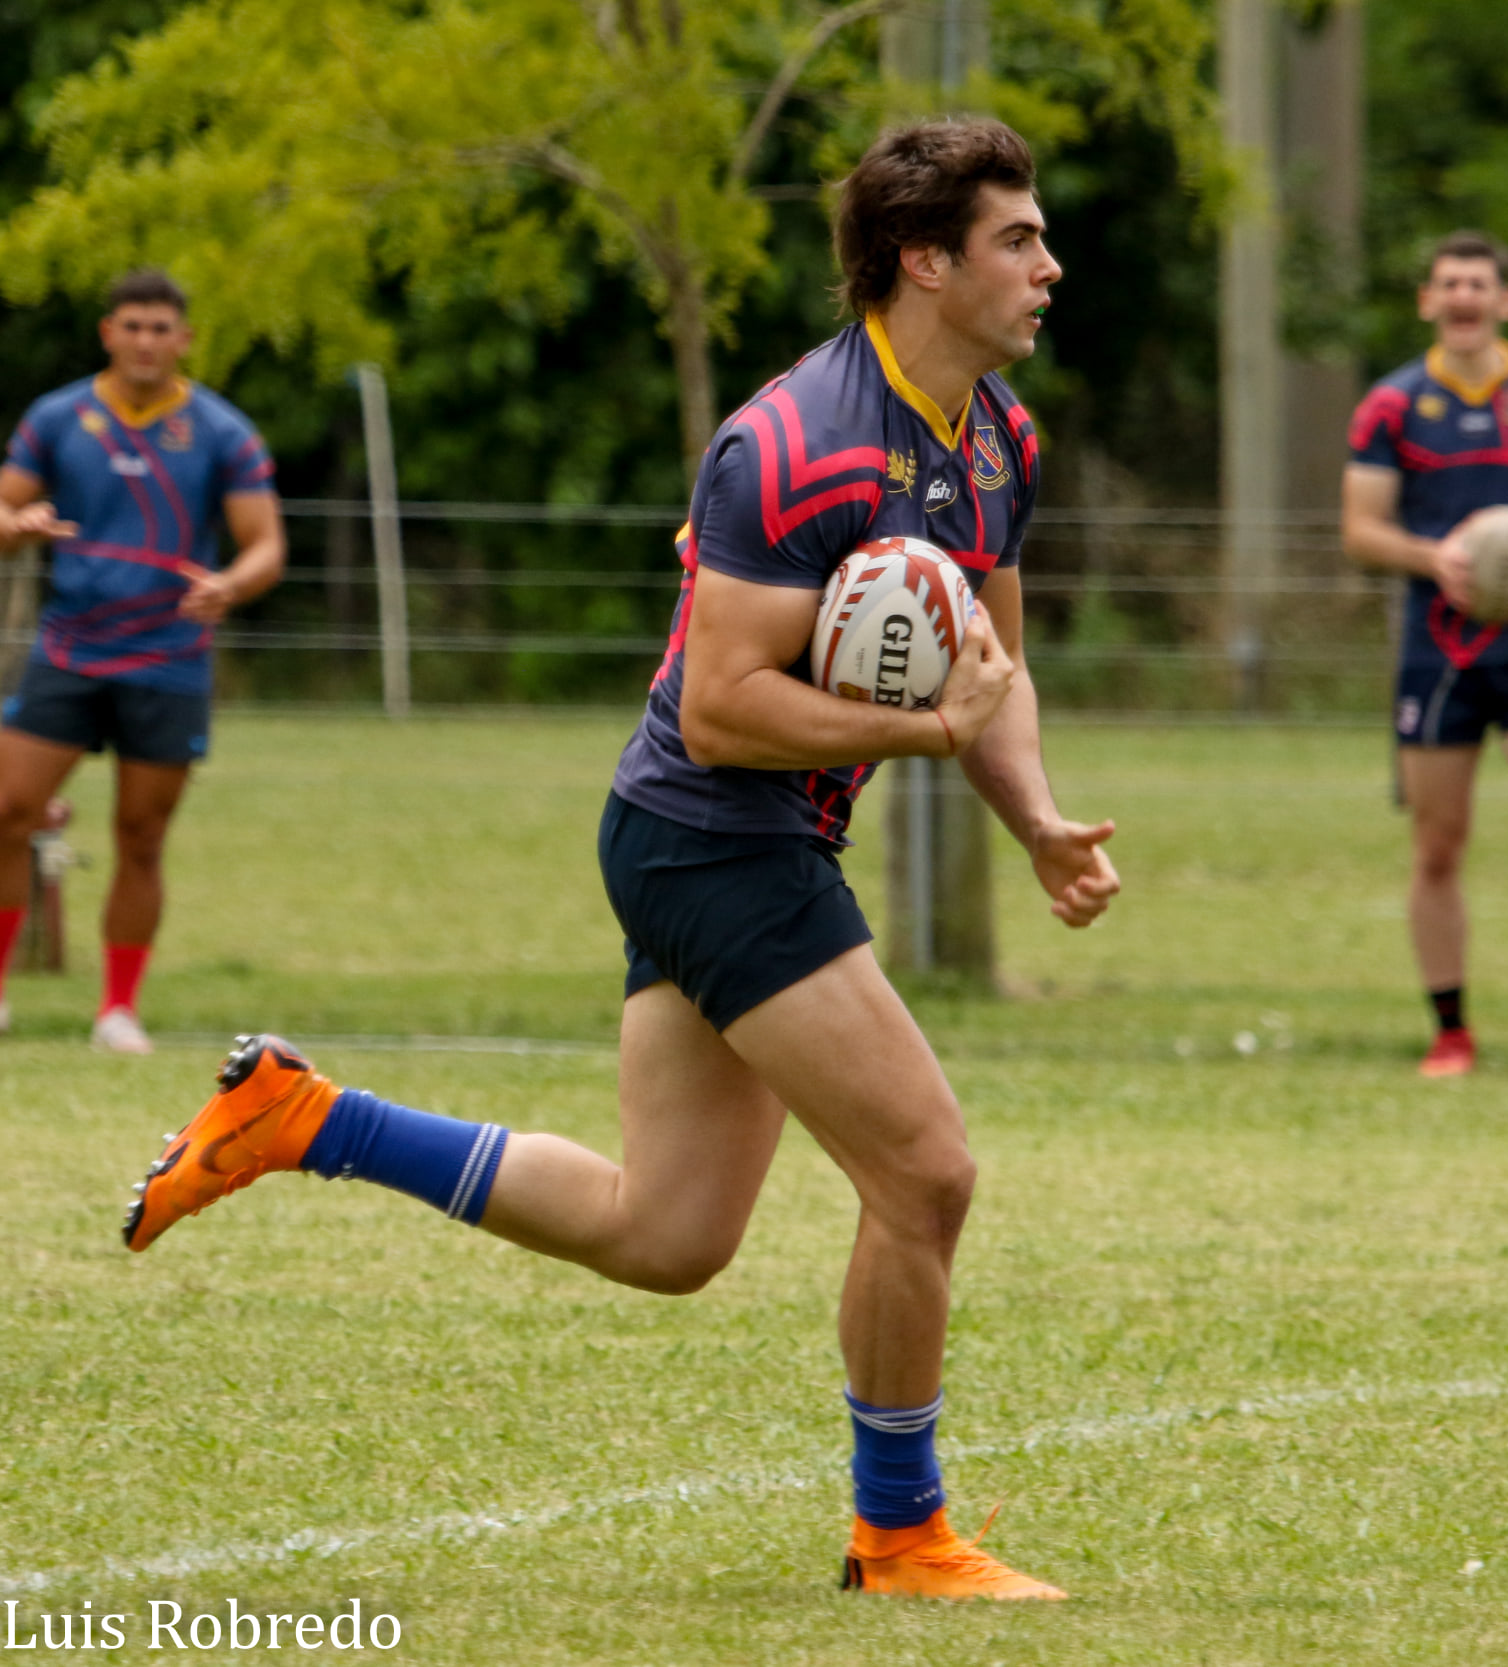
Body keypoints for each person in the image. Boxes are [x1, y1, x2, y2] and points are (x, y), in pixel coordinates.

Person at [122, 121, 1119, 1599]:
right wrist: (915, 742)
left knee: (666, 1234)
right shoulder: (793, 445)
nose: (1047, 264)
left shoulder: (995, 437)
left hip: (744, 833)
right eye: (1016, 238)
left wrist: (1030, 813)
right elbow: (722, 707)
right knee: (926, 1172)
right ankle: (899, 1533)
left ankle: (306, 1115)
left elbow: (995, 666)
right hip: (713, 832)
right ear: (925, 259)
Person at [0, 269, 284, 1051]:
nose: (147, 340)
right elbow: (2, 507)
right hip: (69, 649)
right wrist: (17, 524)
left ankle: (117, 1010)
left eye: (162, 328)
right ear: (108, 333)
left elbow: (266, 548)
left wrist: (228, 583)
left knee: (142, 835)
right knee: (6, 811)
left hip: (169, 659)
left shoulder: (222, 431)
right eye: (133, 325)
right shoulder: (59, 417)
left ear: (184, 339)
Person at [1343, 229, 1508, 1077]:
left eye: (1479, 283)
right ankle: (1451, 1029)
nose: (1463, 296)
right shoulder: (1391, 405)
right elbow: (1360, 530)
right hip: (1439, 654)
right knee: (1437, 846)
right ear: (1428, 300)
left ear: (1506, 300)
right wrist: (1440, 560)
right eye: (1448, 283)